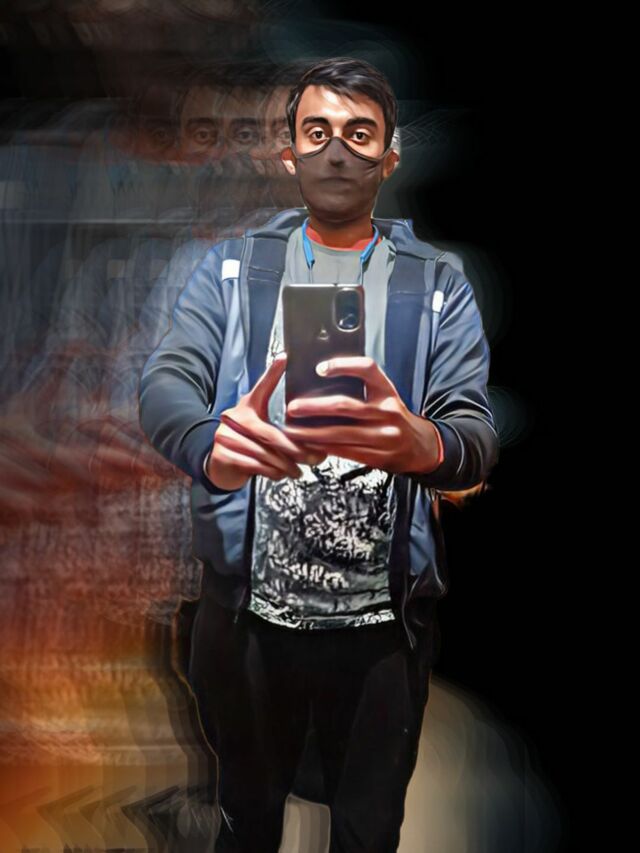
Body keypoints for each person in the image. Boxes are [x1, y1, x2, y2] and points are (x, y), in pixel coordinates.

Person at [138, 56, 499, 853]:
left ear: (389, 156)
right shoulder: (230, 271)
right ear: (290, 153)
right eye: (318, 132)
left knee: (368, 832)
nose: (337, 151)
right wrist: (211, 445)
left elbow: (474, 434)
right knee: (246, 821)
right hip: (248, 618)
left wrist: (428, 444)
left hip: (381, 629)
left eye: (359, 134)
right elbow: (165, 385)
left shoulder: (437, 284)